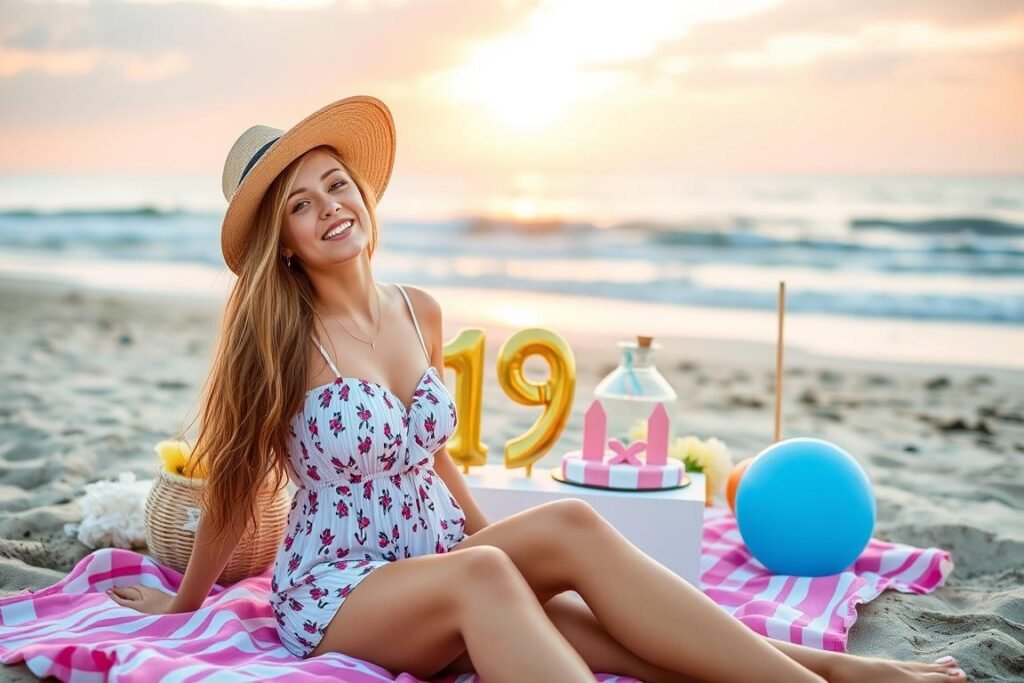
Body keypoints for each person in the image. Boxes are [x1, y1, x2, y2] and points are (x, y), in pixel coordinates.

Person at [108, 95, 967, 683]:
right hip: (341, 589)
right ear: (284, 241)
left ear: (363, 191)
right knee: (493, 579)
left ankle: (836, 672)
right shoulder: (277, 340)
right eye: (301, 203)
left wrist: (504, 539)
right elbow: (228, 480)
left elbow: (427, 454)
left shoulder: (420, 310)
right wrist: (185, 602)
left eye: (337, 182)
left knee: (573, 543)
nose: (331, 205)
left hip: (437, 552)